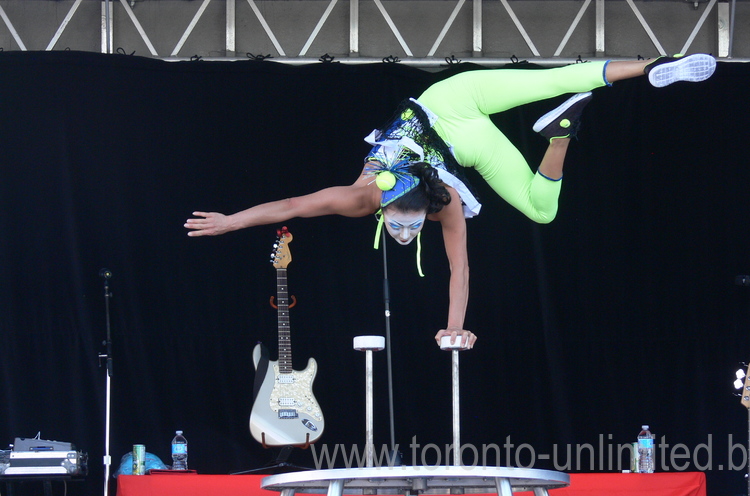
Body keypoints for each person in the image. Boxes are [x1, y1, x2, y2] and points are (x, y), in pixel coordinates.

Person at [186, 54, 716, 349]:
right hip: (462, 139)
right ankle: (562, 132)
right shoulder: (446, 201)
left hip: (449, 104)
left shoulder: (362, 196)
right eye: (408, 231)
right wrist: (455, 325)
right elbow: (457, 271)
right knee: (542, 209)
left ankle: (651, 68)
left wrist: (233, 222)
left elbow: (292, 206)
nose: (404, 232)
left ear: (388, 202)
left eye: (402, 224)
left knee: (548, 80)